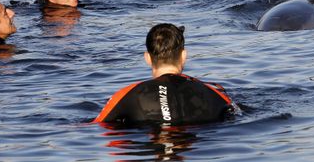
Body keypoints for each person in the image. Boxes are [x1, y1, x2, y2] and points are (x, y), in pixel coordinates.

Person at [94, 23, 235, 125]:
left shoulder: (126, 95)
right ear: (184, 56)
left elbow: (97, 126)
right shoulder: (217, 94)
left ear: (147, 58)